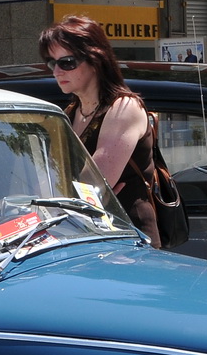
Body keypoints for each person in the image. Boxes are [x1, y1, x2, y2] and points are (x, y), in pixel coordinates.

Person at [39, 15, 161, 246]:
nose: (57, 72)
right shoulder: (71, 112)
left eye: (67, 62)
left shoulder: (123, 108)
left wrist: (78, 190)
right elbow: (55, 180)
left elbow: (91, 188)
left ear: (96, 60)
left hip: (129, 237)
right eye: (51, 63)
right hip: (84, 235)